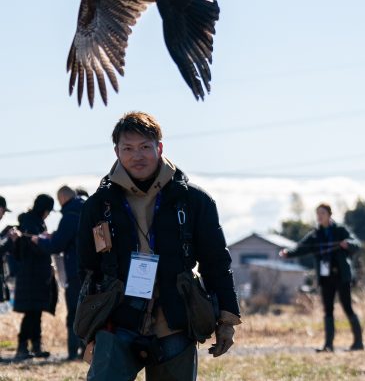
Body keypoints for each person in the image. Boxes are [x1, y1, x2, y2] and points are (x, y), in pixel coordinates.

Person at [77, 111, 241, 380]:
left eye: (145, 147)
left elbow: (216, 262)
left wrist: (227, 320)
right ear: (116, 151)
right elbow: (86, 268)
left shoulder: (194, 200)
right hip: (116, 321)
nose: (137, 156)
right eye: (128, 148)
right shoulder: (98, 204)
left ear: (159, 147)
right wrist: (89, 328)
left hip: (175, 319)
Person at [280, 203, 364, 352]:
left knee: (347, 308)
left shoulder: (340, 230)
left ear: (329, 215)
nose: (319, 216)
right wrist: (288, 253)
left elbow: (357, 244)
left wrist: (348, 244)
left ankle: (358, 343)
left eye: (322, 213)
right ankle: (328, 345)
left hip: (342, 276)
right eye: (317, 213)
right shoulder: (315, 235)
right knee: (328, 310)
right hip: (325, 278)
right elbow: (300, 248)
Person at [32, 186, 86, 360]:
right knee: (89, 312)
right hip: (90, 271)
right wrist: (54, 236)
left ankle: (73, 352)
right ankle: (86, 350)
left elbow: (57, 245)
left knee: (74, 313)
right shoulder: (86, 210)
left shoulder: (69, 216)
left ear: (62, 199)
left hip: (75, 272)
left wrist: (39, 240)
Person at [12, 194, 56, 360]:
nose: (49, 214)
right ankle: (23, 348)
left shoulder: (33, 221)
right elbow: (33, 247)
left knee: (35, 312)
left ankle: (36, 347)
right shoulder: (31, 222)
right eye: (49, 211)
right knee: (31, 312)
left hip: (34, 275)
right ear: (45, 209)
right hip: (31, 275)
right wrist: (46, 241)